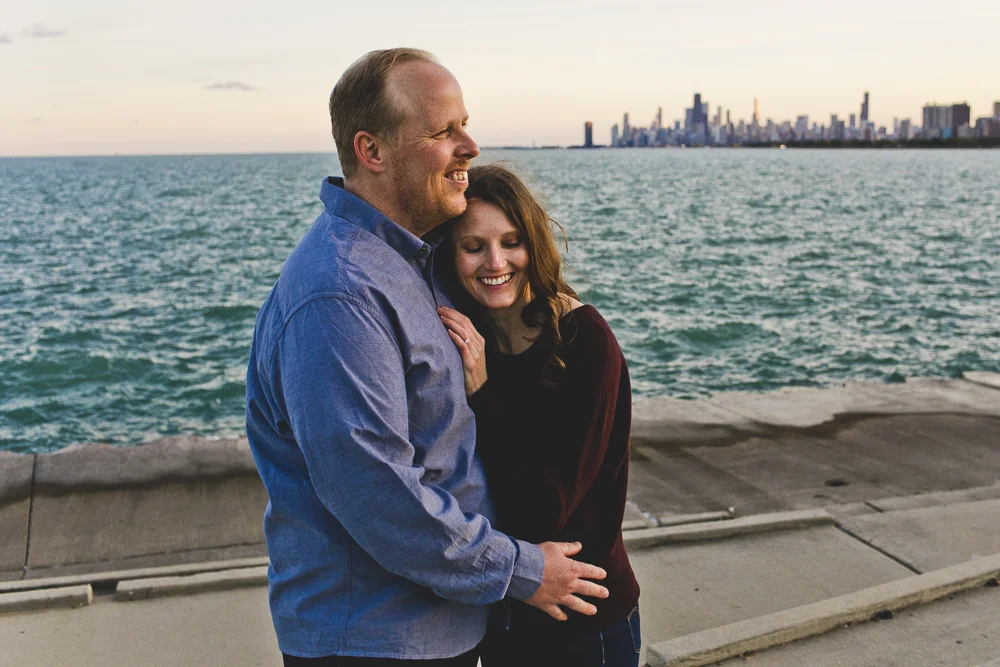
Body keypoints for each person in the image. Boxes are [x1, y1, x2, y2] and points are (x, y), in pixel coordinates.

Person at [245, 49, 609, 666]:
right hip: (376, 641)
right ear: (372, 151)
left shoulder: (413, 260)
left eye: (465, 124)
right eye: (443, 131)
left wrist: (552, 309)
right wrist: (521, 570)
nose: (470, 145)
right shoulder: (340, 294)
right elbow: (378, 494)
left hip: (442, 626)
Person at [437, 165, 641, 666]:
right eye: (473, 247)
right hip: (505, 611)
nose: (496, 262)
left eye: (512, 242)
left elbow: (543, 508)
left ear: (534, 243)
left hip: (584, 619)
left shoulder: (585, 342)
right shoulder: (468, 339)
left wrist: (483, 392)